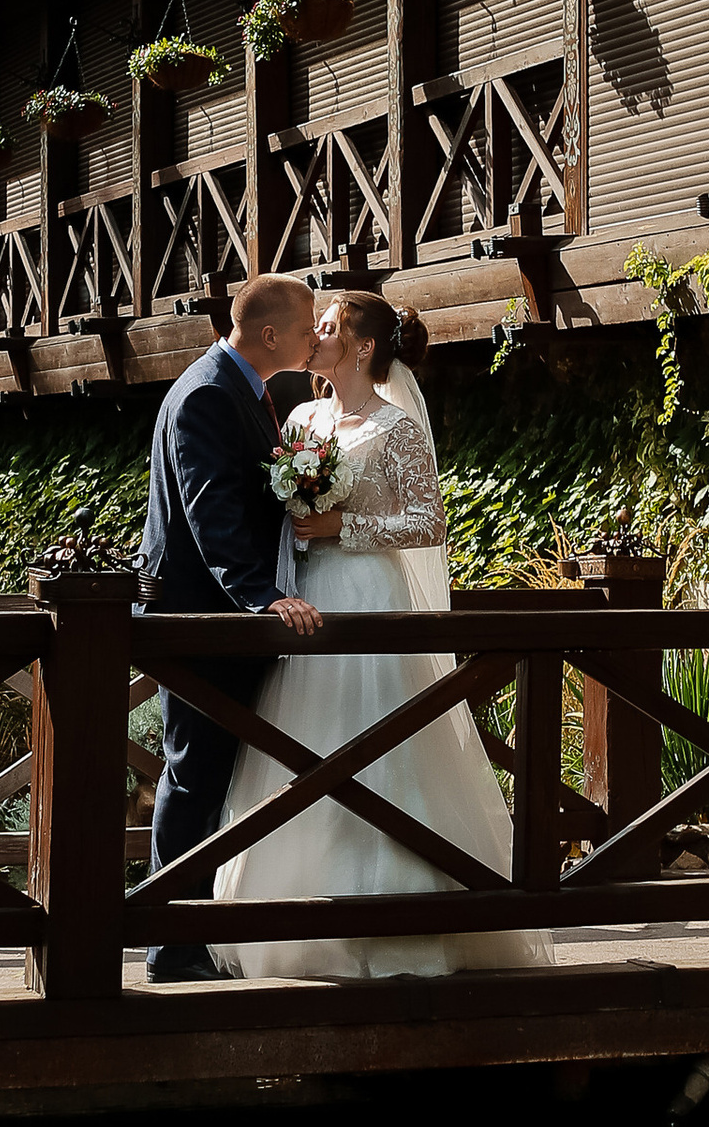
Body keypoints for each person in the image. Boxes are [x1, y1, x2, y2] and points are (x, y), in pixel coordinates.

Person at [212, 293, 558, 981]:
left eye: (331, 329)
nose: (317, 335)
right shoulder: (304, 416)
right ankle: (297, 923)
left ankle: (405, 920)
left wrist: (346, 528)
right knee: (305, 748)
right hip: (308, 600)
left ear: (364, 348)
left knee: (380, 750)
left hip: (369, 598)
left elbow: (428, 524)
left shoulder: (396, 427)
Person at [137, 272, 324, 981]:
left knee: (207, 774)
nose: (313, 338)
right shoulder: (212, 393)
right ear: (271, 333)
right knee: (193, 775)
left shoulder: (242, 387)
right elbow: (209, 510)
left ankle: (188, 935)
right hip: (199, 620)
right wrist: (259, 598)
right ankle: (172, 945)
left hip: (210, 615)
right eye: (307, 328)